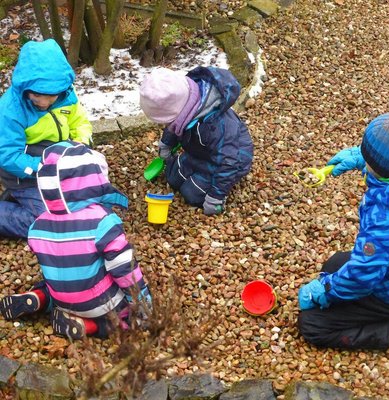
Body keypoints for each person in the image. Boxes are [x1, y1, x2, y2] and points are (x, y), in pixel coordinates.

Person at [0, 141, 152, 340]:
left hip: (62, 298)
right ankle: (88, 326)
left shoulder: (38, 225)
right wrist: (142, 301)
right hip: (98, 302)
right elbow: (123, 267)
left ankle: (39, 297)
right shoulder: (103, 222)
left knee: (60, 278)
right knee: (131, 319)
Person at [298, 112, 389, 350]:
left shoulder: (385, 220)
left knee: (312, 324)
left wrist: (324, 291)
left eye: (367, 161)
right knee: (334, 264)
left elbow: (363, 277)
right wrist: (360, 156)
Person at [0, 38, 92, 238]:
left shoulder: (66, 96)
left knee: (89, 205)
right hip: (25, 176)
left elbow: (80, 123)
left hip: (59, 167)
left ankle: (19, 201)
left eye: (52, 97)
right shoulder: (10, 110)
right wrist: (43, 168)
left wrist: (82, 144)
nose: (44, 102)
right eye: (38, 96)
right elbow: (7, 155)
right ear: (25, 88)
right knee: (49, 223)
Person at [139, 66, 253, 215]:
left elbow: (228, 163)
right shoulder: (185, 104)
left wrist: (215, 197)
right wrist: (166, 144)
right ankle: (195, 172)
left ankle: (211, 189)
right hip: (199, 152)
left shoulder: (217, 126)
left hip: (228, 161)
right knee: (173, 177)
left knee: (191, 194)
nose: (167, 125)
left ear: (180, 113)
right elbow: (173, 127)